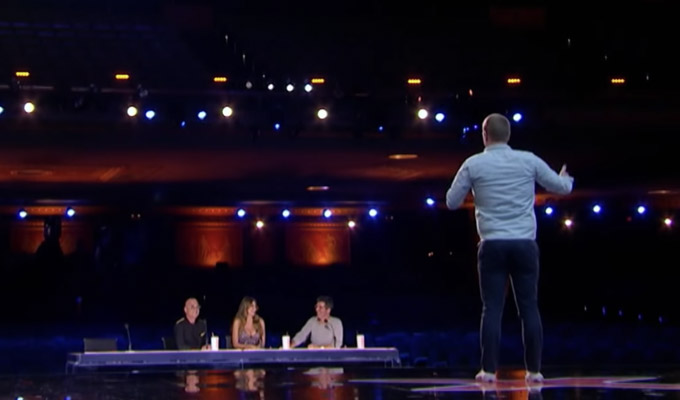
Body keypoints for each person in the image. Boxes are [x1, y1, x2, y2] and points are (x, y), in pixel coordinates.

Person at [446, 113, 573, 383]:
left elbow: (451, 201)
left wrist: (477, 190)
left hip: (492, 245)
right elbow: (562, 188)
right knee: (529, 308)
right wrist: (566, 178)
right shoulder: (528, 159)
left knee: (491, 309)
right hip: (524, 244)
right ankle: (534, 371)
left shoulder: (474, 164)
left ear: (484, 134)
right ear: (509, 135)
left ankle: (489, 371)